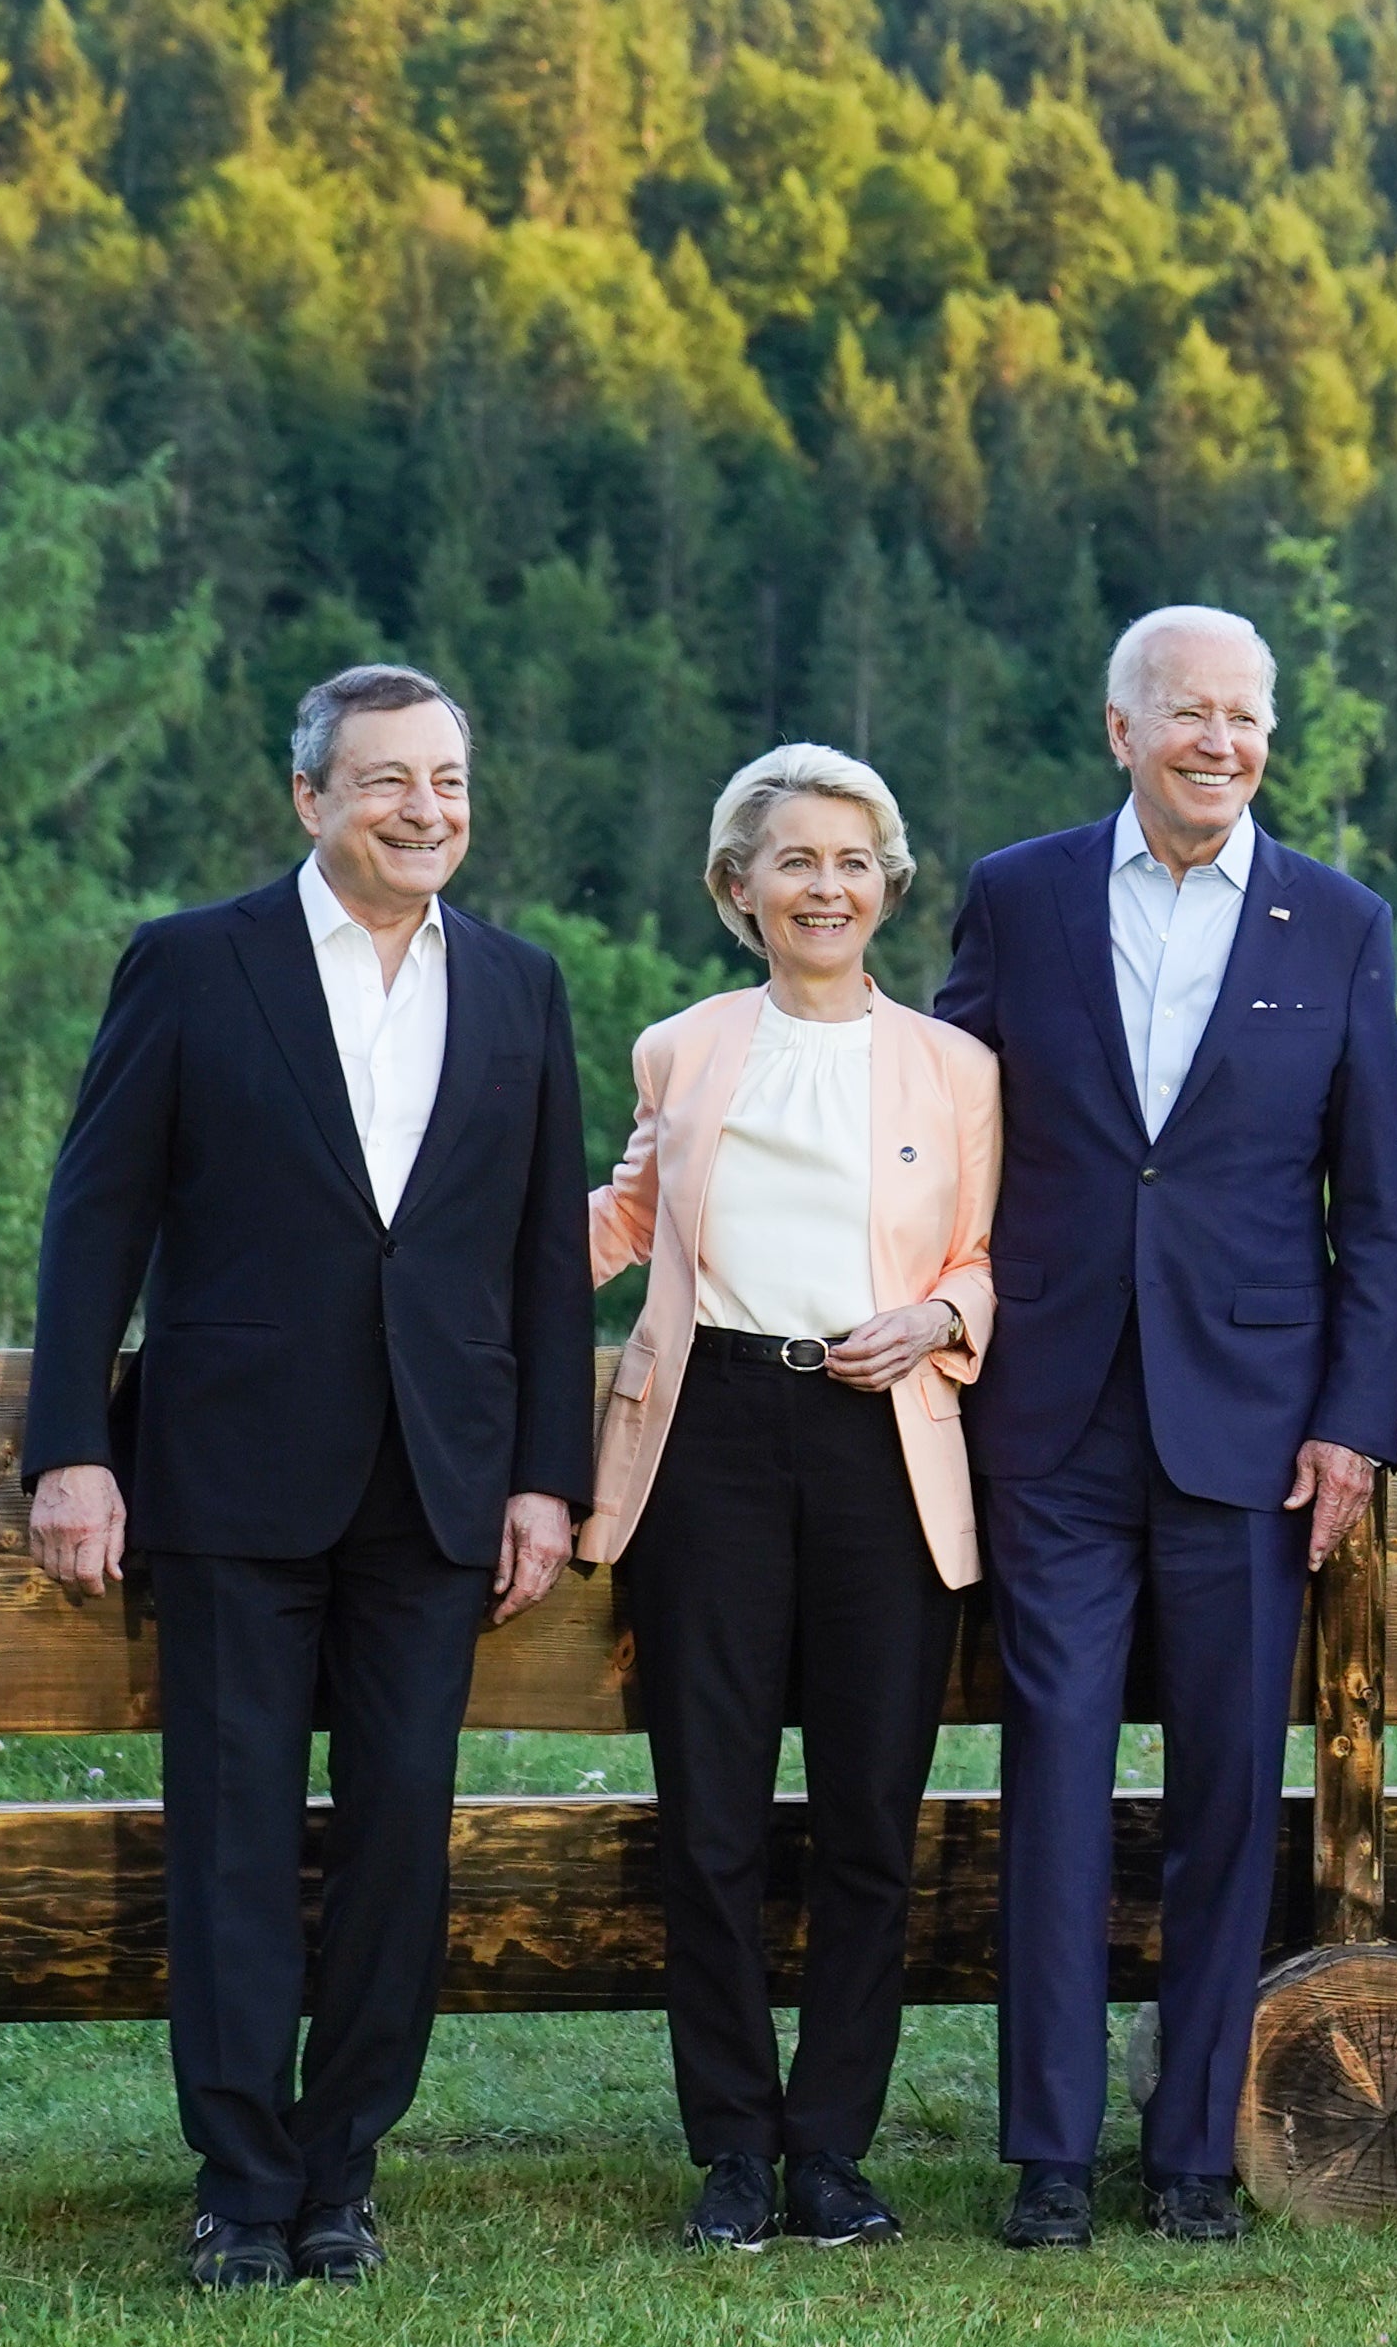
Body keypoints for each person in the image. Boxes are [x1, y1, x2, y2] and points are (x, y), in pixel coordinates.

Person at [20, 666, 592, 2291]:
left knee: (402, 1837)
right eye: (388, 781)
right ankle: (238, 2178)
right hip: (226, 1476)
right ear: (310, 799)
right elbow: (95, 1217)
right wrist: (71, 1443)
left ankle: (344, 2172)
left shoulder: (519, 984)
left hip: (439, 1488)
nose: (426, 810)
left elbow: (547, 1261)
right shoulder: (198, 964)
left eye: (450, 783)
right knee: (231, 1837)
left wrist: (543, 1476)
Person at [933, 606, 1397, 2247]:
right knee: (1052, 1785)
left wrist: (1354, 1424)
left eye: (1245, 716)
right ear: (1121, 727)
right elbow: (942, 1124)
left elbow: (1383, 1212)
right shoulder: (1019, 894)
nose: (1221, 741)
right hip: (1051, 1421)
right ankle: (1049, 2154)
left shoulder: (1338, 921)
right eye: (1188, 713)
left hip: (1256, 1433)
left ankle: (1195, 2150)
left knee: (1227, 1797)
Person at [579, 745, 1001, 2252]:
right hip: (708, 1440)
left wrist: (945, 1321)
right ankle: (731, 2152)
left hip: (880, 1436)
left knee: (871, 1814)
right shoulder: (680, 1048)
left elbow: (983, 1253)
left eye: (852, 860)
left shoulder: (957, 1068)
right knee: (709, 1813)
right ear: (736, 888)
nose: (825, 886)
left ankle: (831, 2149)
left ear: (886, 885)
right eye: (794, 862)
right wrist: (430, 1269)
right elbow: (626, 1217)